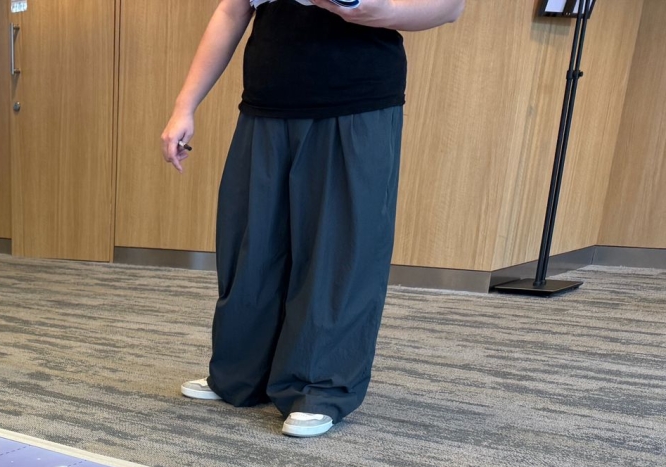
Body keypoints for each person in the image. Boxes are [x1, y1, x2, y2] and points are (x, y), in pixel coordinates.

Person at [162, 0, 464, 438]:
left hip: (354, 102)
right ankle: (239, 375)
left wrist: (375, 10)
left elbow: (449, 7)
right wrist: (184, 105)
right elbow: (231, 11)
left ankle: (319, 388)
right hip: (266, 105)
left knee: (337, 253)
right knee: (251, 247)